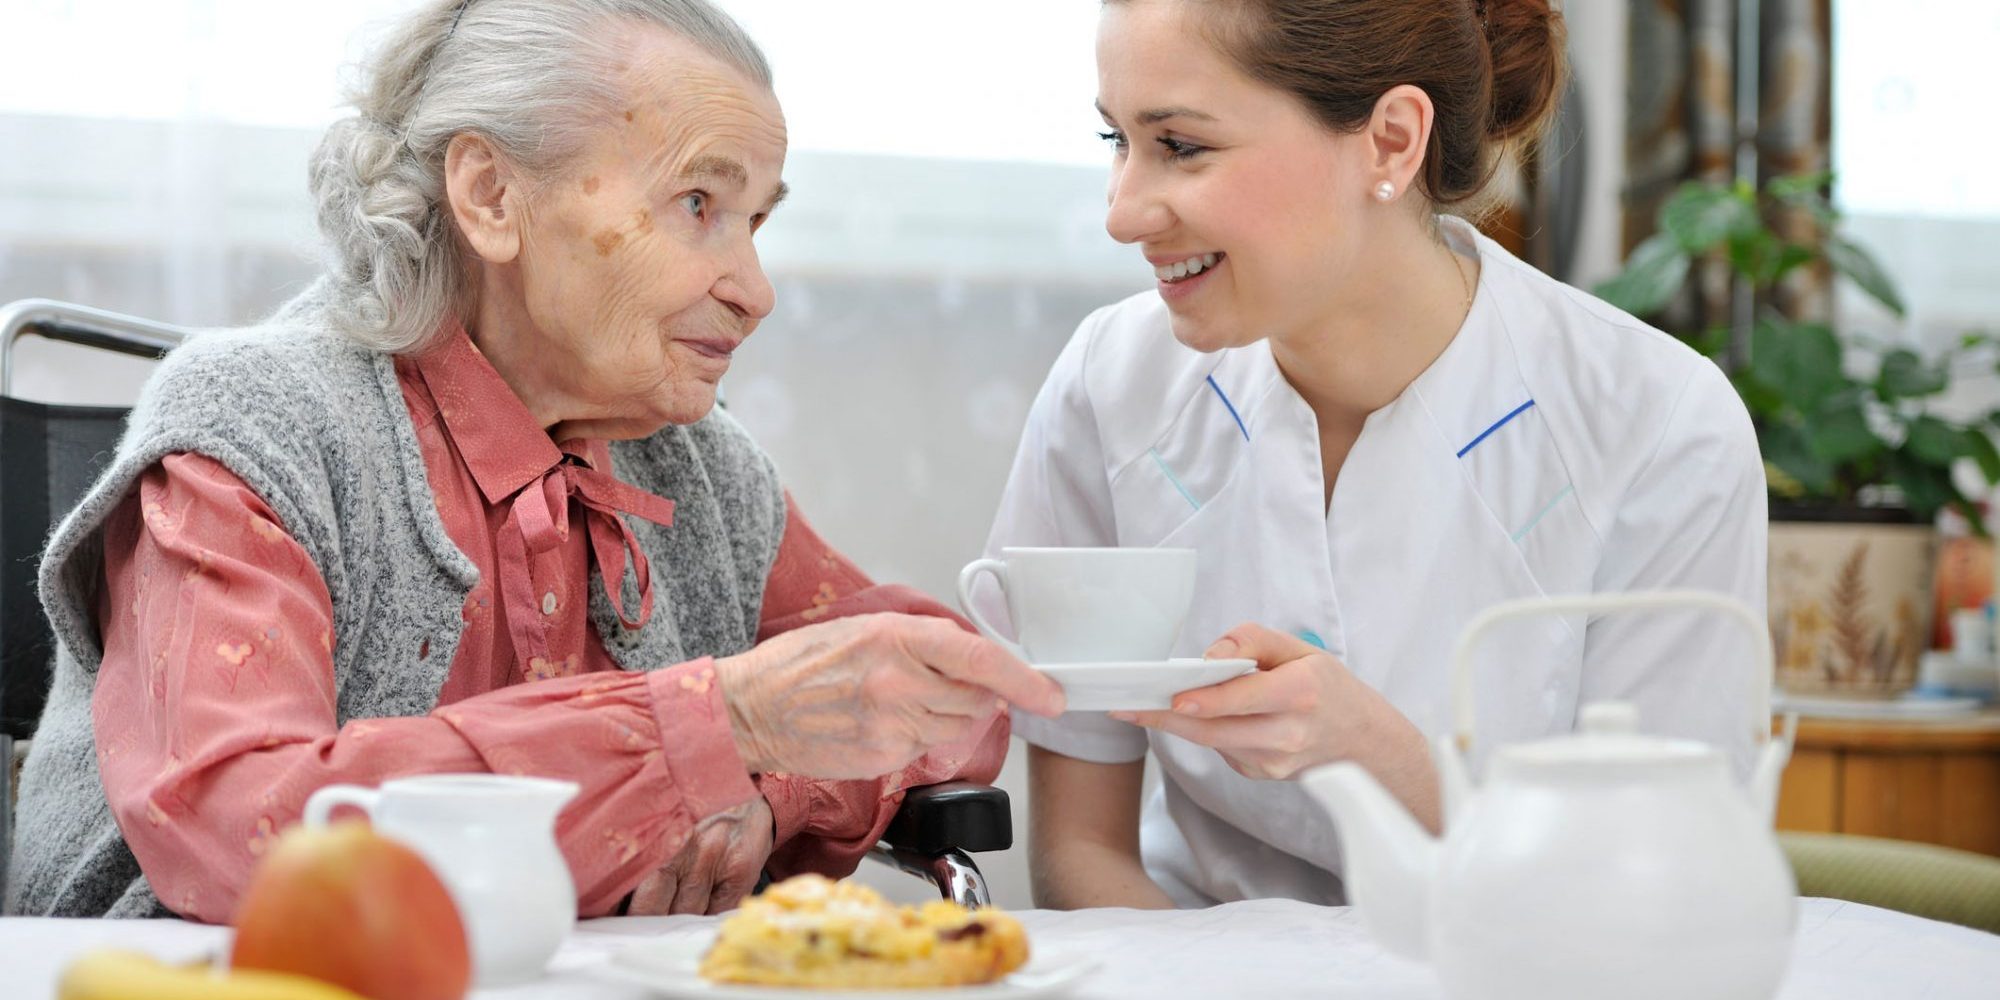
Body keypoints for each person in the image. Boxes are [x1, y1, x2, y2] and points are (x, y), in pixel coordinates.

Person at [6, 0, 1063, 921]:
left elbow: (951, 696)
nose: (755, 288)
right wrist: (715, 724)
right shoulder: (258, 423)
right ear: (490, 196)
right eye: (698, 204)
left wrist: (766, 777)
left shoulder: (698, 465)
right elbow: (241, 821)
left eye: (754, 222)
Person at [978, 0, 1766, 909]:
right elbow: (1082, 851)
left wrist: (1374, 751)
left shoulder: (1659, 426)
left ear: (1391, 141)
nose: (1121, 213)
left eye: (1182, 146)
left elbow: (1658, 887)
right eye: (1115, 138)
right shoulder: (1110, 385)